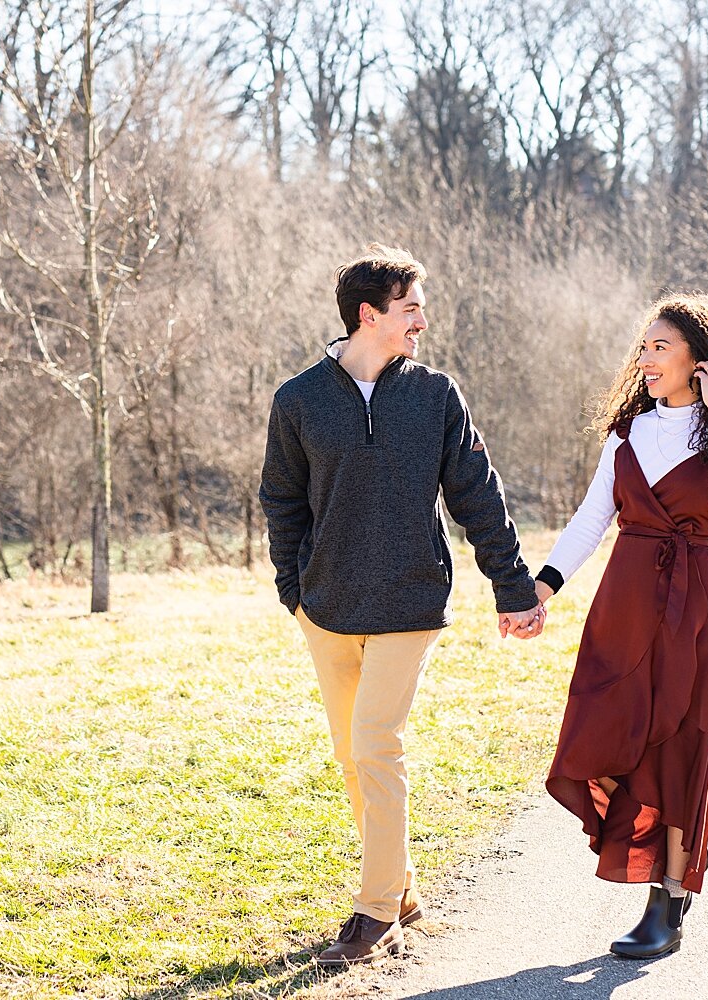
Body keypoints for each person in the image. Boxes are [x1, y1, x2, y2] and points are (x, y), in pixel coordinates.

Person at [258, 244, 545, 966]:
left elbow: (478, 494)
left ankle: (374, 911)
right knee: (354, 759)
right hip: (325, 607)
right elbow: (282, 500)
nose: (422, 320)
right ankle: (403, 887)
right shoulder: (299, 400)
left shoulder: (435, 395)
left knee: (375, 746)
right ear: (369, 314)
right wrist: (294, 592)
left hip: (410, 602)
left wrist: (512, 587)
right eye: (410, 307)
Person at [533, 292, 708, 959]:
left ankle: (667, 899)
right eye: (643, 346)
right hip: (625, 607)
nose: (644, 358)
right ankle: (658, 882)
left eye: (660, 347)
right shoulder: (629, 432)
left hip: (698, 610)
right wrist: (542, 587)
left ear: (702, 363)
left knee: (681, 750)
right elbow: (592, 518)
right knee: (618, 733)